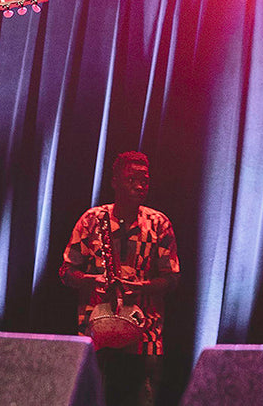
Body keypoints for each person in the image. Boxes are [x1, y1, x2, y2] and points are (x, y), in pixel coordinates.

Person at [61, 151, 179, 406]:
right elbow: (66, 272)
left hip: (144, 338)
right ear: (115, 182)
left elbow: (171, 279)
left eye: (144, 180)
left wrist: (141, 287)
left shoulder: (159, 224)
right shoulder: (92, 220)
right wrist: (91, 280)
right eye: (131, 179)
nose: (139, 186)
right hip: (96, 335)